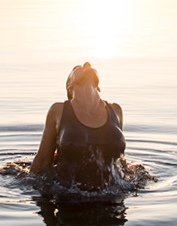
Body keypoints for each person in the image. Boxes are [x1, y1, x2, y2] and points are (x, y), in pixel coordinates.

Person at [31, 61, 126, 191]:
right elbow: (43, 160)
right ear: (70, 86)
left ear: (98, 87)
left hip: (113, 199)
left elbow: (120, 161)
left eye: (88, 67)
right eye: (77, 68)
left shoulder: (115, 110)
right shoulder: (58, 111)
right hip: (68, 200)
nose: (86, 64)